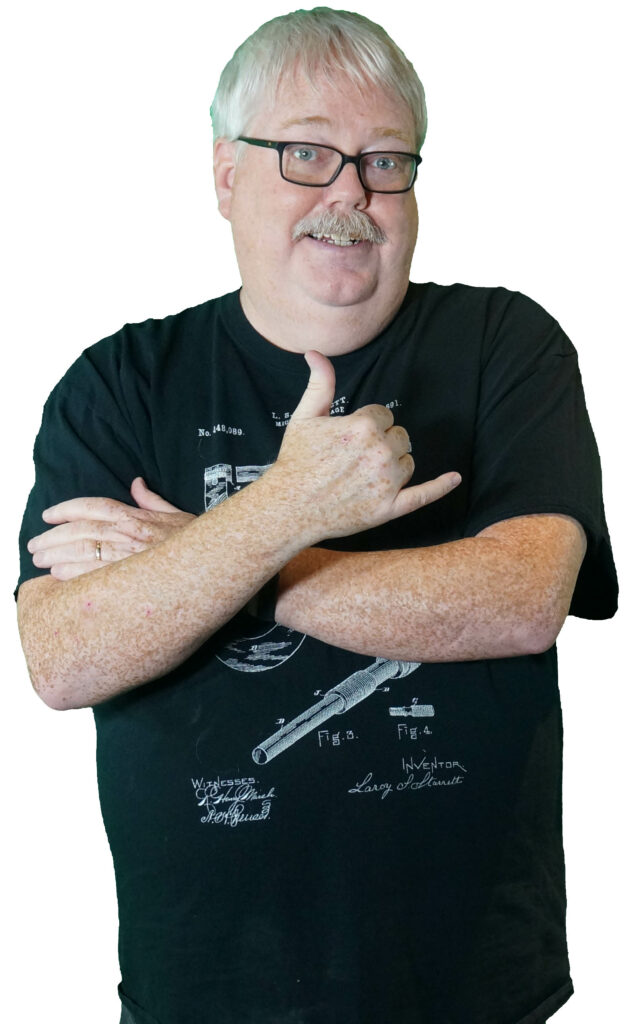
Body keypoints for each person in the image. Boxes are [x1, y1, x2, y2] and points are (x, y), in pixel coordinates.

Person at [16, 7, 617, 1024]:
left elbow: (522, 598)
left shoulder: (504, 346)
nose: (350, 192)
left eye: (385, 161)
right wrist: (281, 510)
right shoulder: (119, 384)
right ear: (225, 176)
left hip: (466, 989)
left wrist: (218, 562)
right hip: (203, 991)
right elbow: (65, 656)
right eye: (306, 153)